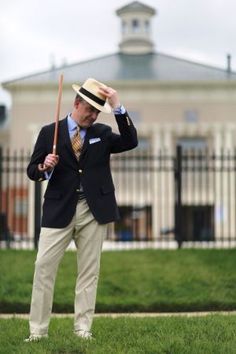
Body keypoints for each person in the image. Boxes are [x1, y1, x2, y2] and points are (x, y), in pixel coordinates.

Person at [25, 77, 138, 341]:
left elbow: (131, 141)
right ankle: (38, 332)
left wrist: (117, 105)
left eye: (98, 111)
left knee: (89, 272)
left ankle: (82, 329)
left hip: (93, 211)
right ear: (77, 103)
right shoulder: (48, 132)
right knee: (43, 268)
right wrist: (44, 166)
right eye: (90, 109)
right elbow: (33, 171)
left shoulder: (103, 133)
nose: (94, 115)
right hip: (58, 211)